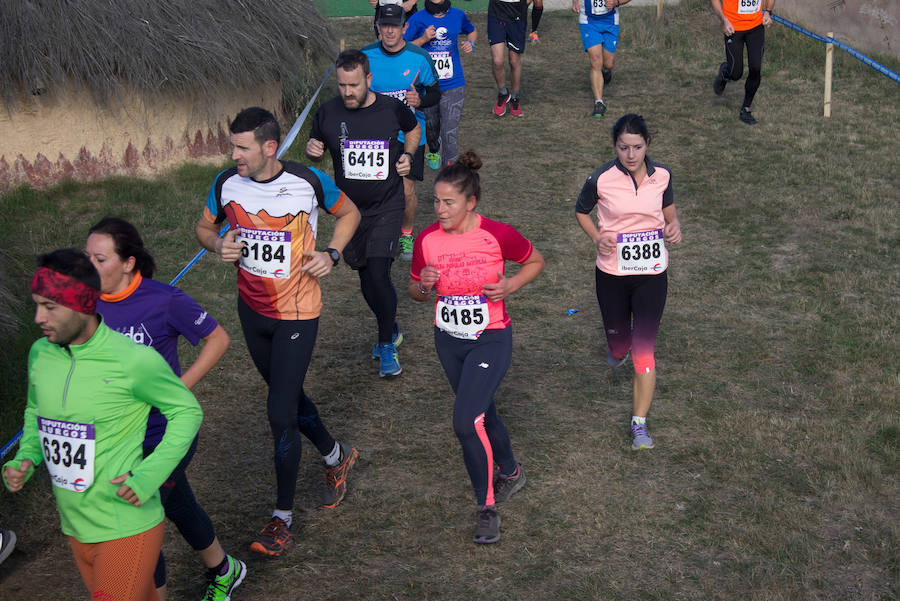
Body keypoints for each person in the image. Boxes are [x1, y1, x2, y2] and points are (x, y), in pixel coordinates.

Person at [195, 107, 362, 557]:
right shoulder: (225, 183)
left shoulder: (307, 181)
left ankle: (281, 519)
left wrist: (332, 253)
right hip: (252, 311)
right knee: (285, 399)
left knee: (278, 413)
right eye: (232, 146)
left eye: (242, 147)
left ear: (270, 147)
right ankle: (335, 455)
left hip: (298, 311)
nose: (234, 155)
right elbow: (205, 226)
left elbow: (349, 214)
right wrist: (218, 244)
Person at [3, 249, 203, 600]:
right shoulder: (40, 354)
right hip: (76, 525)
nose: (38, 317)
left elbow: (187, 413)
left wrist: (148, 475)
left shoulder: (133, 360)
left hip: (126, 525)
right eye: (36, 304)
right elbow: (36, 410)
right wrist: (29, 457)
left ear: (81, 304)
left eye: (50, 306)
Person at [85, 217, 244, 601]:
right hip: (116, 441)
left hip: (165, 434)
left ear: (128, 263)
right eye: (85, 257)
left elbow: (217, 339)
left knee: (139, 520)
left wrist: (176, 389)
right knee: (177, 502)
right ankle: (225, 569)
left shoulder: (163, 300)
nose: (89, 267)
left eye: (100, 259)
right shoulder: (84, 305)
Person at [408, 151, 545, 544]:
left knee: (466, 421)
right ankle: (512, 472)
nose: (439, 209)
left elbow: (536, 261)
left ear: (471, 203)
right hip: (448, 340)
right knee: (482, 412)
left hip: (491, 338)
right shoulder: (426, 240)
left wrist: (510, 286)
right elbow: (415, 290)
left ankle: (487, 508)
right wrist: (424, 286)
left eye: (448, 202)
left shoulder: (497, 234)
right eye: (435, 200)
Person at [307, 50, 422, 378]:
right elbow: (316, 146)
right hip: (351, 214)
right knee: (365, 278)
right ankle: (391, 325)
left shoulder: (390, 107)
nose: (347, 92)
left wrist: (409, 156)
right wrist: (312, 151)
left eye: (354, 85)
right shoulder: (327, 112)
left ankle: (386, 343)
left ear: (368, 80)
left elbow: (413, 130)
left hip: (387, 204)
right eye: (342, 85)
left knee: (377, 273)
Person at [574, 114, 682, 450]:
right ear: (614, 146)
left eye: (637, 147)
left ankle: (639, 425)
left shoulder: (662, 175)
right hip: (612, 275)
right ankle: (618, 348)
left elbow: (669, 211)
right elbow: (581, 211)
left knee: (643, 351)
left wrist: (674, 226)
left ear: (647, 144)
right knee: (620, 345)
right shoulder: (600, 179)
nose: (631, 154)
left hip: (651, 274)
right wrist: (597, 238)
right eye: (623, 148)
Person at [363, 3, 441, 260]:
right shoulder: (365, 57)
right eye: (384, 25)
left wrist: (420, 100)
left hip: (409, 135)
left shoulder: (419, 57)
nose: (389, 31)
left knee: (407, 191)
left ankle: (406, 235)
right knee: (375, 190)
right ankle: (375, 232)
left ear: (404, 27)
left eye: (394, 26)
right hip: (374, 137)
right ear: (378, 27)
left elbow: (434, 92)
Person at [405, 0, 477, 170]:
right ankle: (434, 148)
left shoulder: (458, 15)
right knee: (431, 127)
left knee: (449, 133)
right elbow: (404, 47)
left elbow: (472, 31)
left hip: (453, 84)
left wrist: (471, 43)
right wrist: (423, 38)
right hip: (428, 86)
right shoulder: (418, 18)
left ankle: (448, 177)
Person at [710, 0, 774, 125]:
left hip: (756, 28)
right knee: (735, 73)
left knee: (756, 69)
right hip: (733, 27)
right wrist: (723, 20)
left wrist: (768, 12)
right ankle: (724, 73)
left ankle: (746, 108)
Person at [573, 0, 632, 118]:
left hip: (610, 21)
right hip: (588, 21)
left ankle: (606, 71)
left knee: (608, 64)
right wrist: (575, 2)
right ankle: (599, 103)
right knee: (595, 61)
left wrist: (617, 2)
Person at [488, 0, 531, 117]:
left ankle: (515, 98)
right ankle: (503, 94)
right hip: (496, 12)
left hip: (517, 14)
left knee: (514, 61)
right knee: (498, 61)